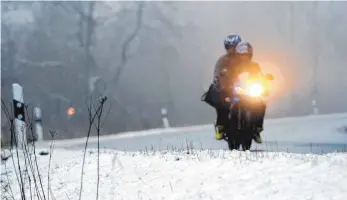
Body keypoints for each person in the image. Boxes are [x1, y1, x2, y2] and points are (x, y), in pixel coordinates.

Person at [230, 41, 266, 143]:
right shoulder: (233, 66)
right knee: (228, 106)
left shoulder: (255, 66)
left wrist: (265, 82)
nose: (244, 57)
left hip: (250, 92)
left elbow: (260, 77)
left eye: (246, 55)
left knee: (261, 105)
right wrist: (226, 81)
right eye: (242, 55)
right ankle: (229, 128)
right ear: (238, 55)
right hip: (236, 92)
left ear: (250, 54)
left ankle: (257, 129)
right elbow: (227, 76)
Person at [211, 34, 242, 140]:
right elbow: (217, 74)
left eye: (235, 47)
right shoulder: (222, 61)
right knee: (222, 105)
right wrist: (218, 81)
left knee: (258, 103)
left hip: (244, 88)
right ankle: (220, 126)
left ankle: (256, 127)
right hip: (228, 89)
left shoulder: (245, 60)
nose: (232, 50)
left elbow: (254, 71)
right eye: (230, 47)